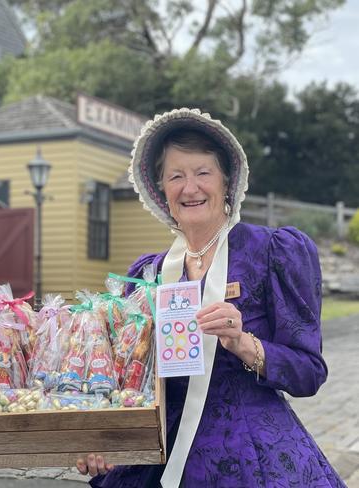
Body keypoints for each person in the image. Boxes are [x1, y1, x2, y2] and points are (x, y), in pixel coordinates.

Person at [77, 108, 345, 487]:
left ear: (226, 182)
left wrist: (243, 343)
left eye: (203, 173)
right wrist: (103, 437)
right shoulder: (145, 276)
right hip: (157, 456)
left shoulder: (273, 253)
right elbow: (125, 383)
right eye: (176, 176)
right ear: (161, 190)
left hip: (252, 456)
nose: (190, 188)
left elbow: (309, 373)